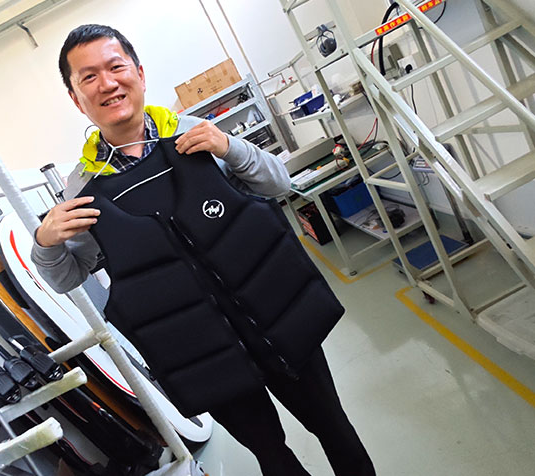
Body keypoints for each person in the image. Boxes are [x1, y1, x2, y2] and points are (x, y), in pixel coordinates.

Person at [31, 24, 375, 476]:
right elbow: (66, 278)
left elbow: (279, 183)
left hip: (276, 321)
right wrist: (45, 244)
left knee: (334, 428)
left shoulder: (197, 134)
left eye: (116, 67)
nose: (108, 83)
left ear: (139, 73)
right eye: (89, 77)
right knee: (273, 457)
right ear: (77, 98)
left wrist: (231, 148)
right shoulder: (83, 189)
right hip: (202, 354)